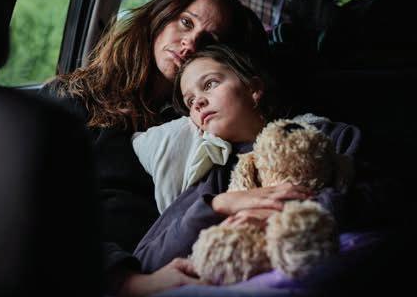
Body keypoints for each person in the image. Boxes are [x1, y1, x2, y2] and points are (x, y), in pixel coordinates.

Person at [41, 0, 271, 297]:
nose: (190, 44)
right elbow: (41, 210)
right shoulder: (74, 100)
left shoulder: (201, 122)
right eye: (186, 22)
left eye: (207, 40)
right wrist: (127, 282)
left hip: (182, 263)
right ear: (161, 15)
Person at [133, 43, 395, 275]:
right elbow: (145, 258)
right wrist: (219, 205)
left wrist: (289, 211)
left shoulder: (322, 137)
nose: (198, 102)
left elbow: (388, 194)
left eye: (210, 84)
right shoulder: (215, 176)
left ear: (253, 88)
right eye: (190, 101)